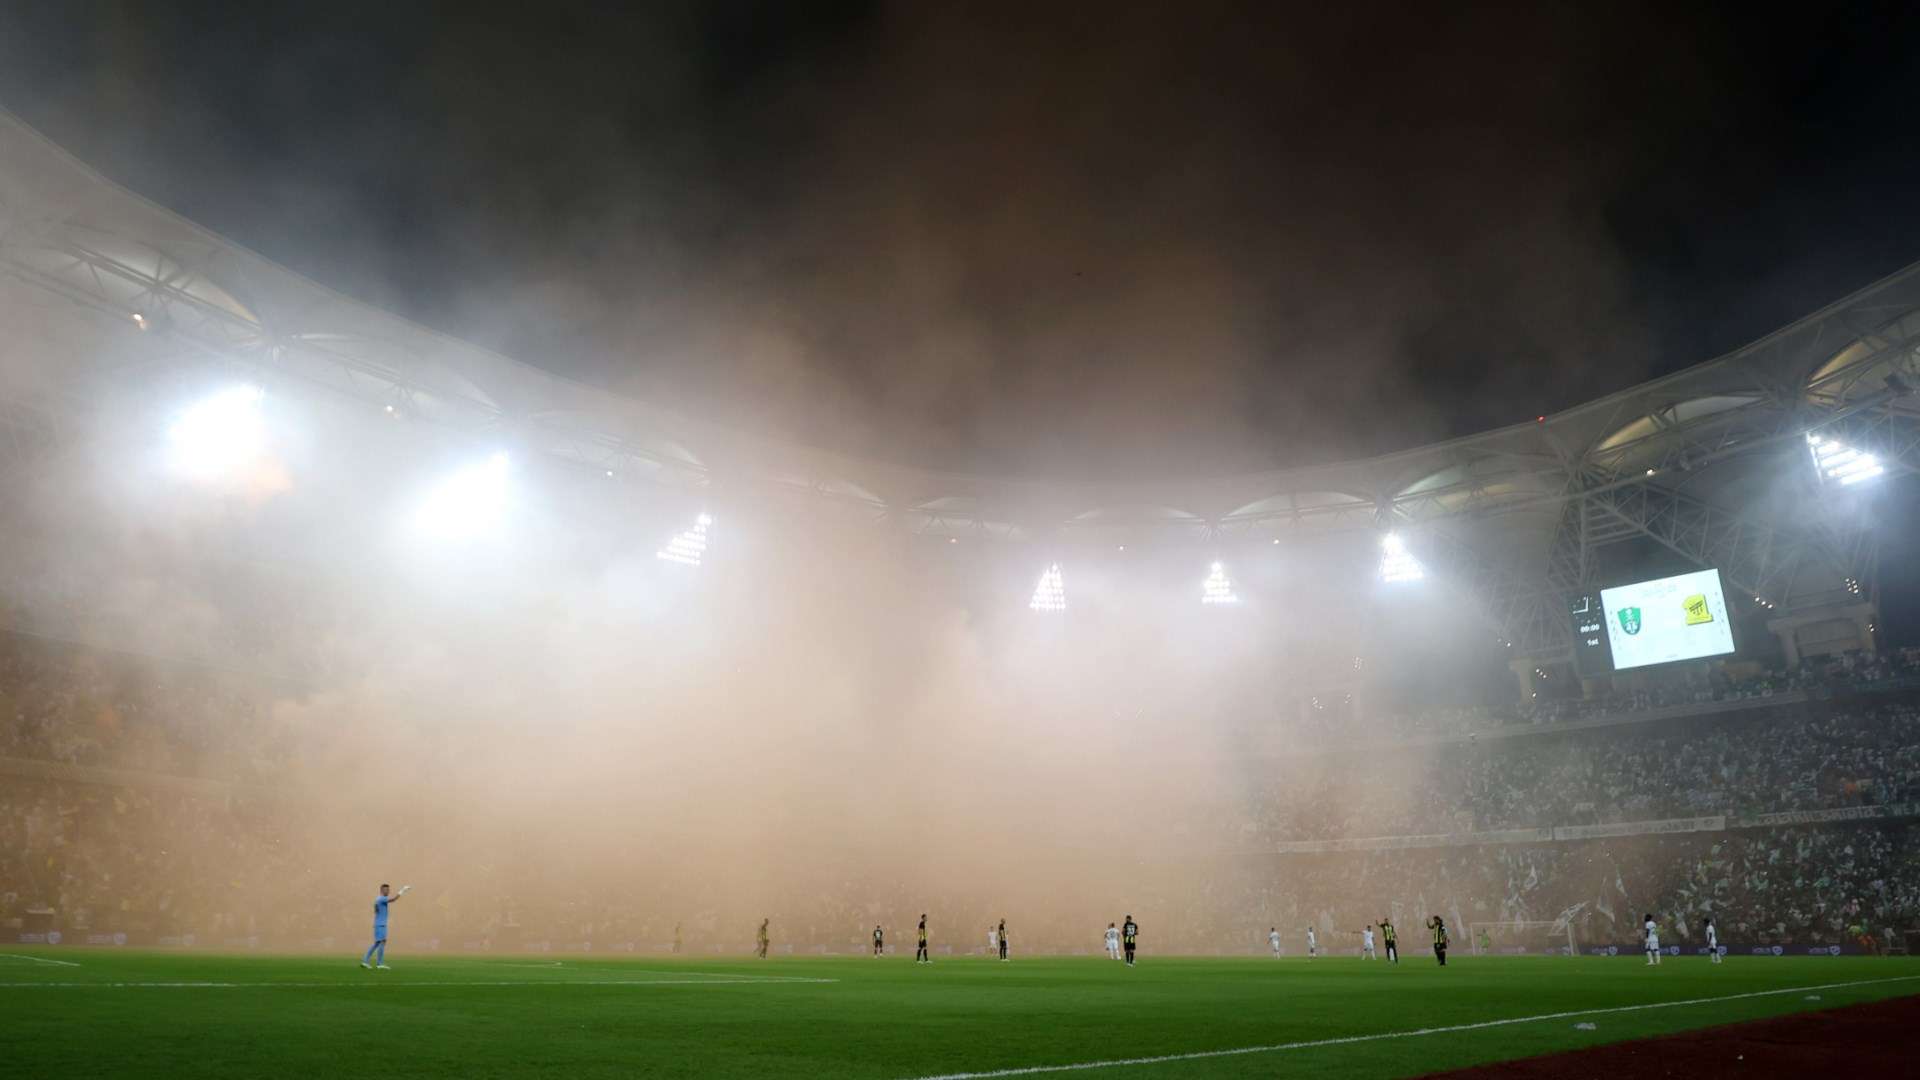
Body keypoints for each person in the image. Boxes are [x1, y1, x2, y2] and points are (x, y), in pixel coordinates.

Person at [360, 883, 410, 970]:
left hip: (378, 924)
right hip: (381, 924)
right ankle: (379, 963)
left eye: (388, 889)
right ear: (381, 890)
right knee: (382, 942)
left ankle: (365, 961)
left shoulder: (378, 899)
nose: (388, 891)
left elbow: (376, 910)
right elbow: (394, 899)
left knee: (377, 943)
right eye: (386, 889)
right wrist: (403, 890)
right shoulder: (382, 898)